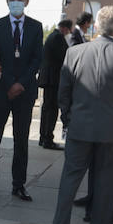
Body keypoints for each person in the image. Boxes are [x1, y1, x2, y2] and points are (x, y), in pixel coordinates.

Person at [48, 6, 113, 224]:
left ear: (96, 27)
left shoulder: (75, 53)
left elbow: (64, 93)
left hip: (80, 127)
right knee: (107, 180)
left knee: (70, 177)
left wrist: (69, 118)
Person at [0, 0, 42, 201]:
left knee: (21, 140)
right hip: (0, 91)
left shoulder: (36, 27)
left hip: (24, 92)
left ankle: (19, 185)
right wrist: (8, 83)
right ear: (7, 1)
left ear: (26, 2)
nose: (16, 2)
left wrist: (21, 84)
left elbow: (37, 59)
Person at [39, 18, 74, 150]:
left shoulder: (52, 37)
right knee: (52, 109)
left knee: (47, 108)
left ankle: (44, 137)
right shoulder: (58, 38)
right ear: (65, 28)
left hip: (48, 78)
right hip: (54, 79)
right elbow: (65, 56)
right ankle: (48, 138)